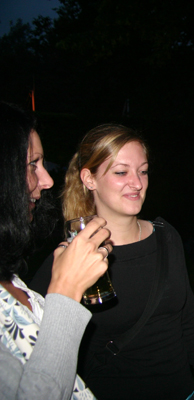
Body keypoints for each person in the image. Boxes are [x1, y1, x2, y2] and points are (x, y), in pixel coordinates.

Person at [30, 124, 194, 400]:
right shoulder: (72, 259)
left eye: (143, 171)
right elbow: (33, 345)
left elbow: (188, 319)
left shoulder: (166, 236)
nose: (137, 183)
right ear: (89, 179)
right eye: (121, 172)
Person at [0, 101, 112, 400]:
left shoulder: (9, 278)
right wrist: (66, 289)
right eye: (31, 164)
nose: (47, 180)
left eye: (144, 171)